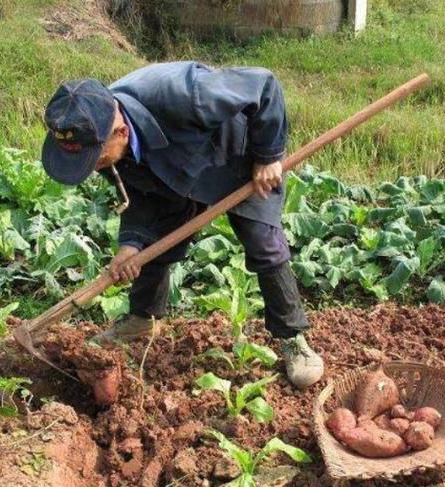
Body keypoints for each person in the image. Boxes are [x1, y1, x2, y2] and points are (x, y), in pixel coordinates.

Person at [41, 61, 323, 388]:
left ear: (120, 131)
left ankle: (293, 340)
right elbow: (138, 194)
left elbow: (265, 84)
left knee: (264, 245)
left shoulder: (187, 94)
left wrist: (269, 154)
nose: (93, 168)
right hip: (171, 172)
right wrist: (130, 245)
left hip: (235, 159)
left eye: (96, 160)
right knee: (152, 243)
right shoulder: (98, 133)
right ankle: (142, 318)